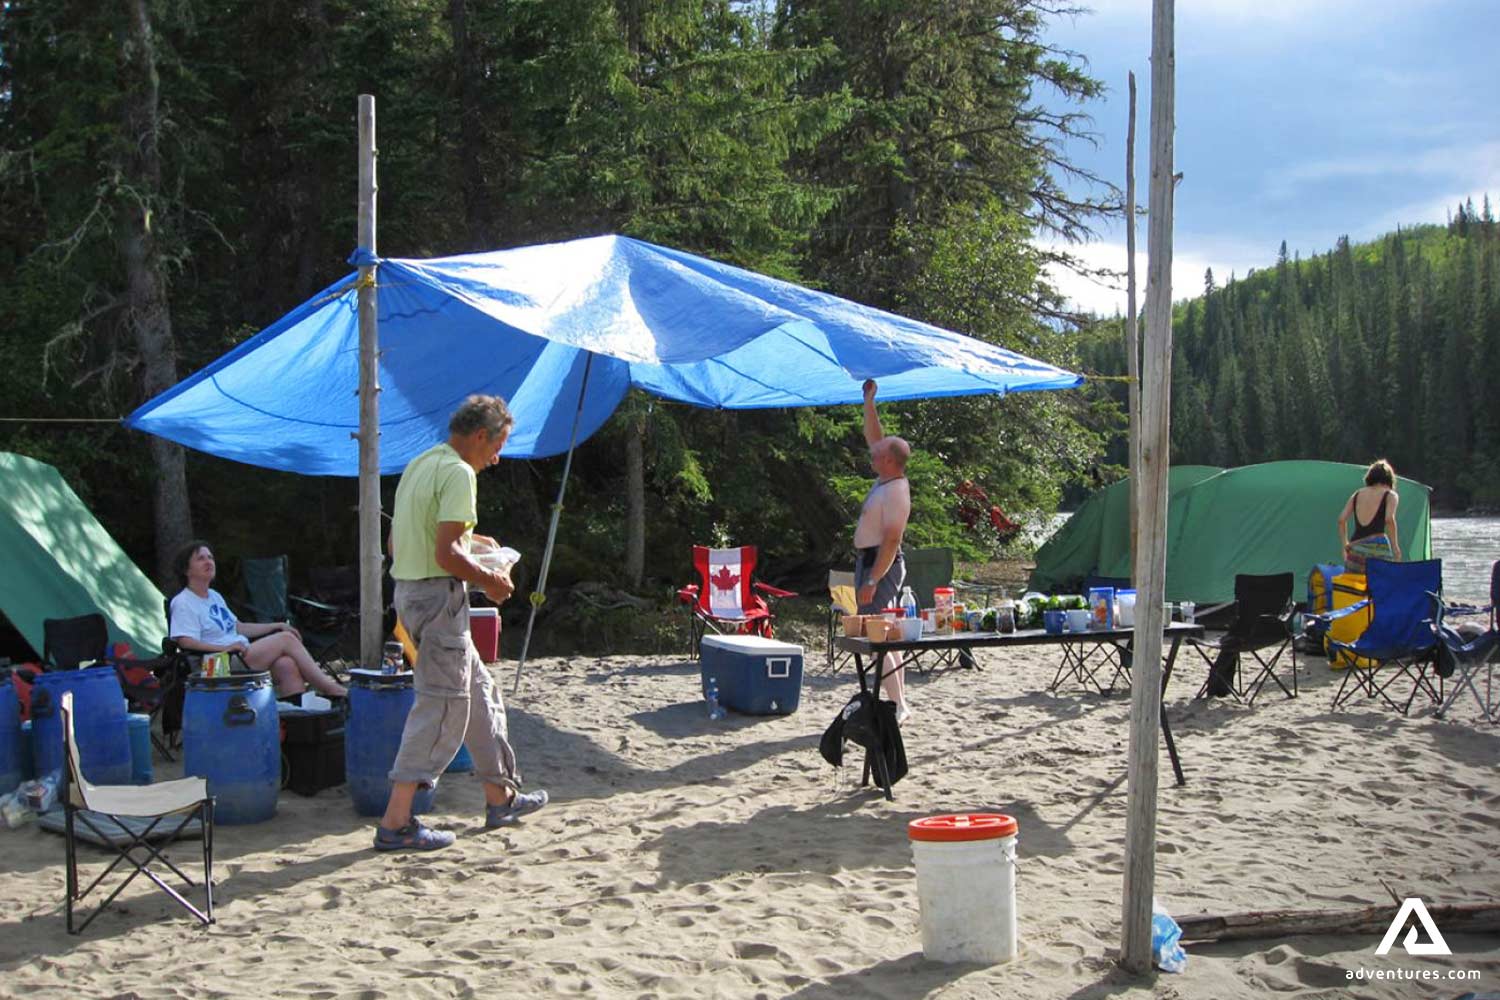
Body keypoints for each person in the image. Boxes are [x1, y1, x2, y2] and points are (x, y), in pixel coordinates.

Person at [375, 394, 548, 852]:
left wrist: (477, 542)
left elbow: (398, 543)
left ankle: (500, 797)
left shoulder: (420, 464)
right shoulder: (458, 473)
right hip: (439, 603)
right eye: (497, 447)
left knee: (480, 695)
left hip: (412, 596)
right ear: (480, 436)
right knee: (441, 707)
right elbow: (447, 553)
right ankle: (396, 822)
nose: (496, 459)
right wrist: (492, 581)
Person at [168, 541, 348, 699]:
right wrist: (224, 649)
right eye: (200, 558)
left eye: (210, 557)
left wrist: (277, 625)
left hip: (235, 657)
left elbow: (238, 627)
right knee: (285, 639)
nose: (209, 562)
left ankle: (296, 720)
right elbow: (185, 642)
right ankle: (330, 688)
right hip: (212, 668)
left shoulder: (213, 596)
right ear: (186, 570)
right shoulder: (183, 602)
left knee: (286, 665)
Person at [853, 378, 914, 723]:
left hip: (880, 563)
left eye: (878, 455)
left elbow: (892, 540)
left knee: (875, 634)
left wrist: (873, 579)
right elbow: (874, 437)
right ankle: (900, 702)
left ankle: (898, 705)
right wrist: (869, 402)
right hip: (869, 559)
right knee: (885, 632)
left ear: (889, 461)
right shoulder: (885, 477)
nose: (872, 454)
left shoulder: (896, 492)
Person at [1337, 458, 1403, 572]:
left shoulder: (1357, 494)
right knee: (1382, 580)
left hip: (1355, 551)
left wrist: (1345, 545)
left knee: (1355, 582)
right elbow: (1389, 519)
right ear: (1390, 480)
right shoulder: (1390, 495)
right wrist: (1395, 547)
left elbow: (1341, 519)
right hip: (1377, 549)